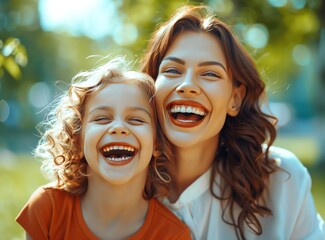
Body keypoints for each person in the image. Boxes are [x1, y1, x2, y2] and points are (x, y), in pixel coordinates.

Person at [141, 5, 325, 240]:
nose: (187, 85)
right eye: (172, 70)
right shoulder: (119, 183)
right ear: (149, 89)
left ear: (235, 100)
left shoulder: (283, 180)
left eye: (210, 74)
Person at [16, 57, 192, 240]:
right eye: (101, 119)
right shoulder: (48, 208)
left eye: (136, 120)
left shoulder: (173, 235)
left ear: (156, 144)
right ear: (78, 141)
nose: (118, 127)